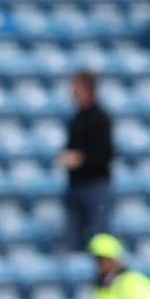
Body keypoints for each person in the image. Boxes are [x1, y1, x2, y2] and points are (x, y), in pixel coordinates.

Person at [58, 71, 115, 252]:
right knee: (74, 238)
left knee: (100, 237)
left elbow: (106, 154)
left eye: (76, 87)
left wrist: (81, 159)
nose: (72, 92)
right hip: (75, 184)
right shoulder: (76, 118)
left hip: (95, 186)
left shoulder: (100, 118)